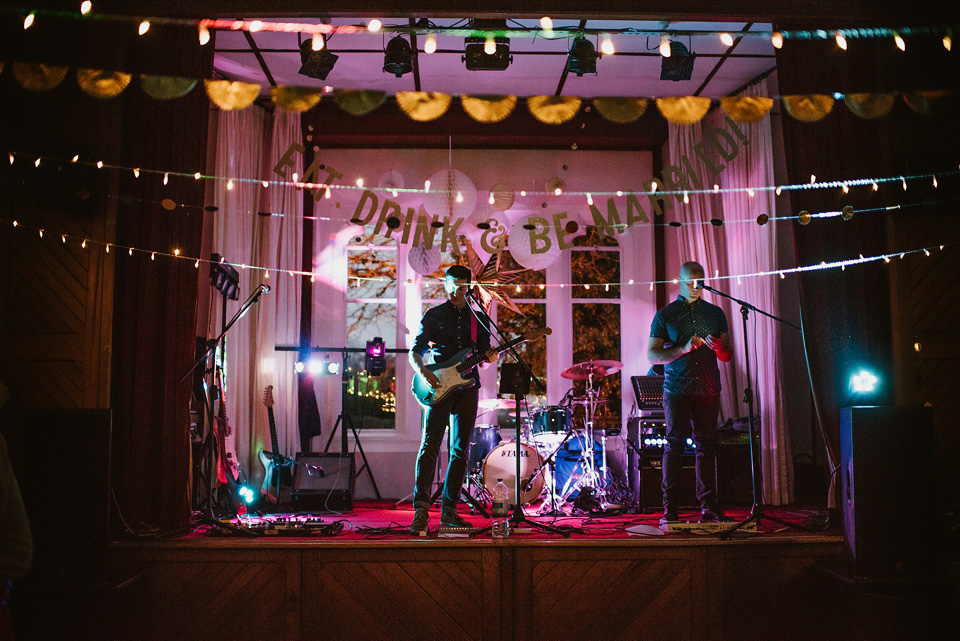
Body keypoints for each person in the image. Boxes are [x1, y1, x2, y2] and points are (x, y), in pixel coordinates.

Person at [409, 265, 497, 533]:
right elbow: (416, 350)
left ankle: (450, 510)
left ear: (469, 286)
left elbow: (483, 359)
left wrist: (491, 357)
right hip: (437, 386)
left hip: (468, 388)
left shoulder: (478, 317)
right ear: (445, 285)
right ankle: (421, 510)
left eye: (463, 285)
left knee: (461, 450)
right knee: (430, 445)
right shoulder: (434, 315)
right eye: (454, 284)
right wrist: (423, 371)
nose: (459, 290)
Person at [647, 261, 733, 524]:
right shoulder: (665, 315)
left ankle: (709, 507)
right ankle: (670, 510)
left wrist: (719, 347)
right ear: (680, 281)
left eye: (700, 282)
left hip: (707, 389)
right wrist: (683, 348)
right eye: (690, 282)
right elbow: (652, 355)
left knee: (707, 448)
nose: (695, 287)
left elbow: (727, 355)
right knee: (674, 447)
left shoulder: (715, 313)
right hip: (677, 389)